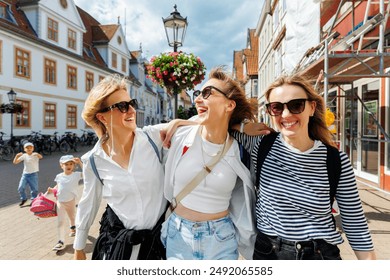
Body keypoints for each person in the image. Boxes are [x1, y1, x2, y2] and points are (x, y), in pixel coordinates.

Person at [232, 73, 376, 260]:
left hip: (319, 256)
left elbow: (354, 221)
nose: (286, 114)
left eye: (296, 105)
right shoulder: (261, 145)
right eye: (276, 108)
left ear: (311, 107)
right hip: (269, 253)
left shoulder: (335, 160)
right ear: (270, 112)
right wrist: (242, 127)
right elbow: (214, 124)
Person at [73, 74, 190, 260]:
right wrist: (79, 248)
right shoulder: (94, 161)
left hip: (162, 242)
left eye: (131, 103)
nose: (131, 110)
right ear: (102, 117)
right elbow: (89, 203)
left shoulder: (153, 138)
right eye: (121, 106)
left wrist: (177, 122)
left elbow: (202, 128)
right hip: (123, 248)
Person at [161, 67, 260, 260]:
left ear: (229, 105)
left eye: (207, 93)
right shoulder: (180, 135)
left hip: (221, 238)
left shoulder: (241, 149)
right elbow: (136, 135)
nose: (198, 99)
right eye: (198, 93)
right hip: (178, 235)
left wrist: (241, 126)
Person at [47, 155, 83, 251]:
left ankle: (73, 227)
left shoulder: (76, 175)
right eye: (66, 164)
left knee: (72, 217)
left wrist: (80, 162)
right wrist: (52, 190)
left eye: (71, 164)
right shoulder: (59, 176)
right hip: (60, 202)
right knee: (60, 221)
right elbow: (58, 185)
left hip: (71, 201)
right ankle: (60, 241)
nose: (69, 166)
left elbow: (87, 173)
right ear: (61, 165)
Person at [13, 142, 42, 206]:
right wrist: (16, 156)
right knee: (20, 188)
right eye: (27, 148)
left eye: (30, 147)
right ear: (24, 149)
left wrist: (37, 154)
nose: (29, 149)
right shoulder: (24, 156)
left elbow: (41, 157)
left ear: (33, 148)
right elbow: (15, 162)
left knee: (34, 189)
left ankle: (33, 200)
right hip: (25, 175)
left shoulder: (35, 154)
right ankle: (24, 198)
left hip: (33, 175)